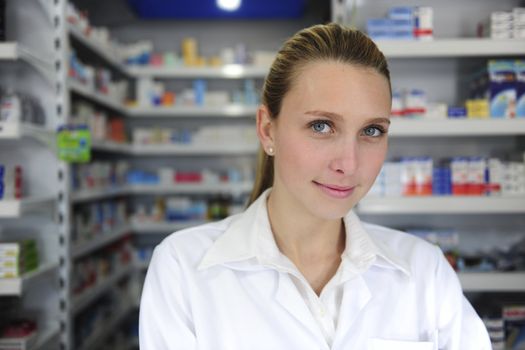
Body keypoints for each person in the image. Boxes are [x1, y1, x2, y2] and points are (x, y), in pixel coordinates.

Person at [139, 23, 491, 349]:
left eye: (372, 131)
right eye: (322, 126)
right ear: (267, 129)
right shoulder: (183, 268)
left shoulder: (424, 272)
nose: (349, 164)